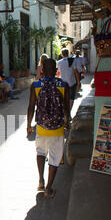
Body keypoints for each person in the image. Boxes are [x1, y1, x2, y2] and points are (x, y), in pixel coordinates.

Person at [27, 58, 70, 198]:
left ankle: (40, 181)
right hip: (57, 129)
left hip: (41, 127)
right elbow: (66, 109)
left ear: (43, 70)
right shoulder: (64, 85)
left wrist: (29, 125)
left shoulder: (36, 85)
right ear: (56, 71)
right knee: (55, 158)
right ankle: (49, 189)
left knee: (40, 153)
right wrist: (67, 122)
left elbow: (31, 107)